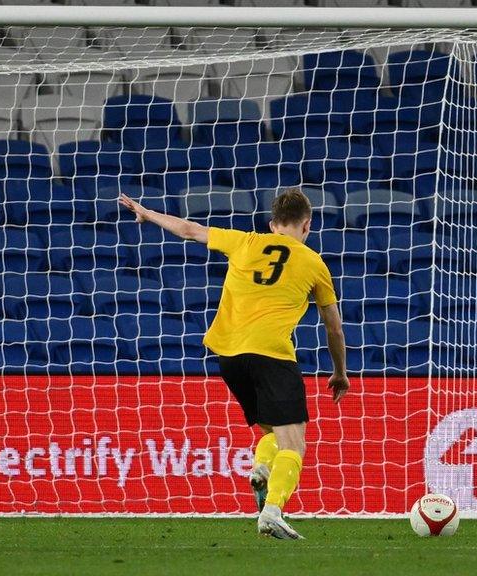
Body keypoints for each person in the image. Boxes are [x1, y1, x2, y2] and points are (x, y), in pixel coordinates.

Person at [118, 187, 349, 540]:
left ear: (273, 224)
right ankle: (272, 511)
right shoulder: (315, 264)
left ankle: (261, 468)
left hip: (230, 357)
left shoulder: (244, 241)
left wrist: (147, 213)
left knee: (273, 431)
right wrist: (339, 372)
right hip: (271, 354)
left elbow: (189, 229)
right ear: (307, 225)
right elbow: (333, 326)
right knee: (294, 444)